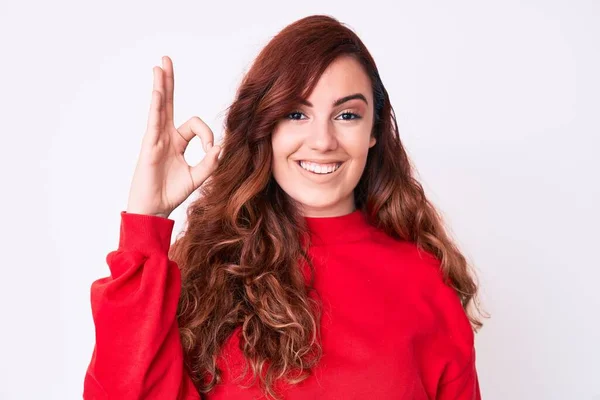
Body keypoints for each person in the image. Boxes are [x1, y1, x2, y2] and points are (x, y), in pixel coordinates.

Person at [83, 14, 485, 400]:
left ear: (374, 131)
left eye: (347, 114)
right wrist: (146, 221)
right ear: (265, 125)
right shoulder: (209, 271)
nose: (322, 140)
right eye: (296, 113)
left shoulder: (426, 282)